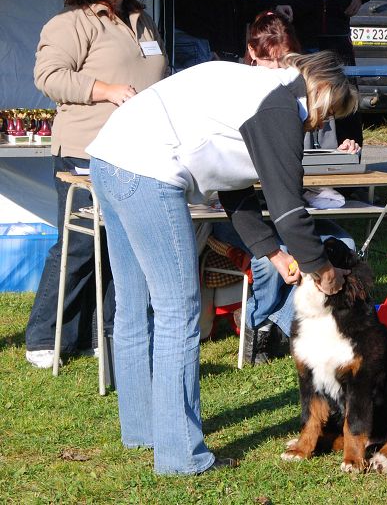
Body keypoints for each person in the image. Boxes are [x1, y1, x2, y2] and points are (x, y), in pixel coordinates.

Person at [86, 51, 357, 474]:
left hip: (108, 159)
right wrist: (321, 268)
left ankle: (144, 432)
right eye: (329, 113)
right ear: (321, 90)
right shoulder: (279, 105)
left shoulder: (255, 91)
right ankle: (181, 456)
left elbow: (234, 190)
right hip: (146, 170)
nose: (321, 125)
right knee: (179, 313)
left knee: (135, 308)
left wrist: (274, 252)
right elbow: (287, 207)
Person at [25, 0, 168, 370]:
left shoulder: (143, 20)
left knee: (121, 245)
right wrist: (104, 89)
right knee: (81, 245)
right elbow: (48, 77)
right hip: (86, 150)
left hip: (139, 152)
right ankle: (44, 338)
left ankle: (101, 333)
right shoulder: (72, 23)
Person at [220, 11, 358, 364]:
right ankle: (262, 324)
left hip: (285, 210)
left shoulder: (300, 105)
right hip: (242, 214)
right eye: (271, 59)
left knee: (343, 244)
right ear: (252, 52)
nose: (278, 69)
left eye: (284, 59)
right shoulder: (271, 104)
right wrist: (322, 271)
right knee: (279, 259)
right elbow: (260, 199)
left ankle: (288, 327)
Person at [256, 0, 385, 145]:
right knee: (297, 98)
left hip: (334, 27)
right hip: (288, 35)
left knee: (341, 97)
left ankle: (348, 164)